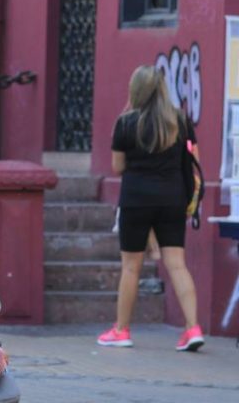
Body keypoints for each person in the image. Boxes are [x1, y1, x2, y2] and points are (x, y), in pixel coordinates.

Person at [99, 65, 204, 352]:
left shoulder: (125, 124)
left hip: (136, 200)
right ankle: (192, 327)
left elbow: (118, 167)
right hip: (173, 199)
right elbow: (194, 157)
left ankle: (121, 330)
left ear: (136, 90)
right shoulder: (180, 122)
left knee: (131, 267)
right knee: (177, 264)